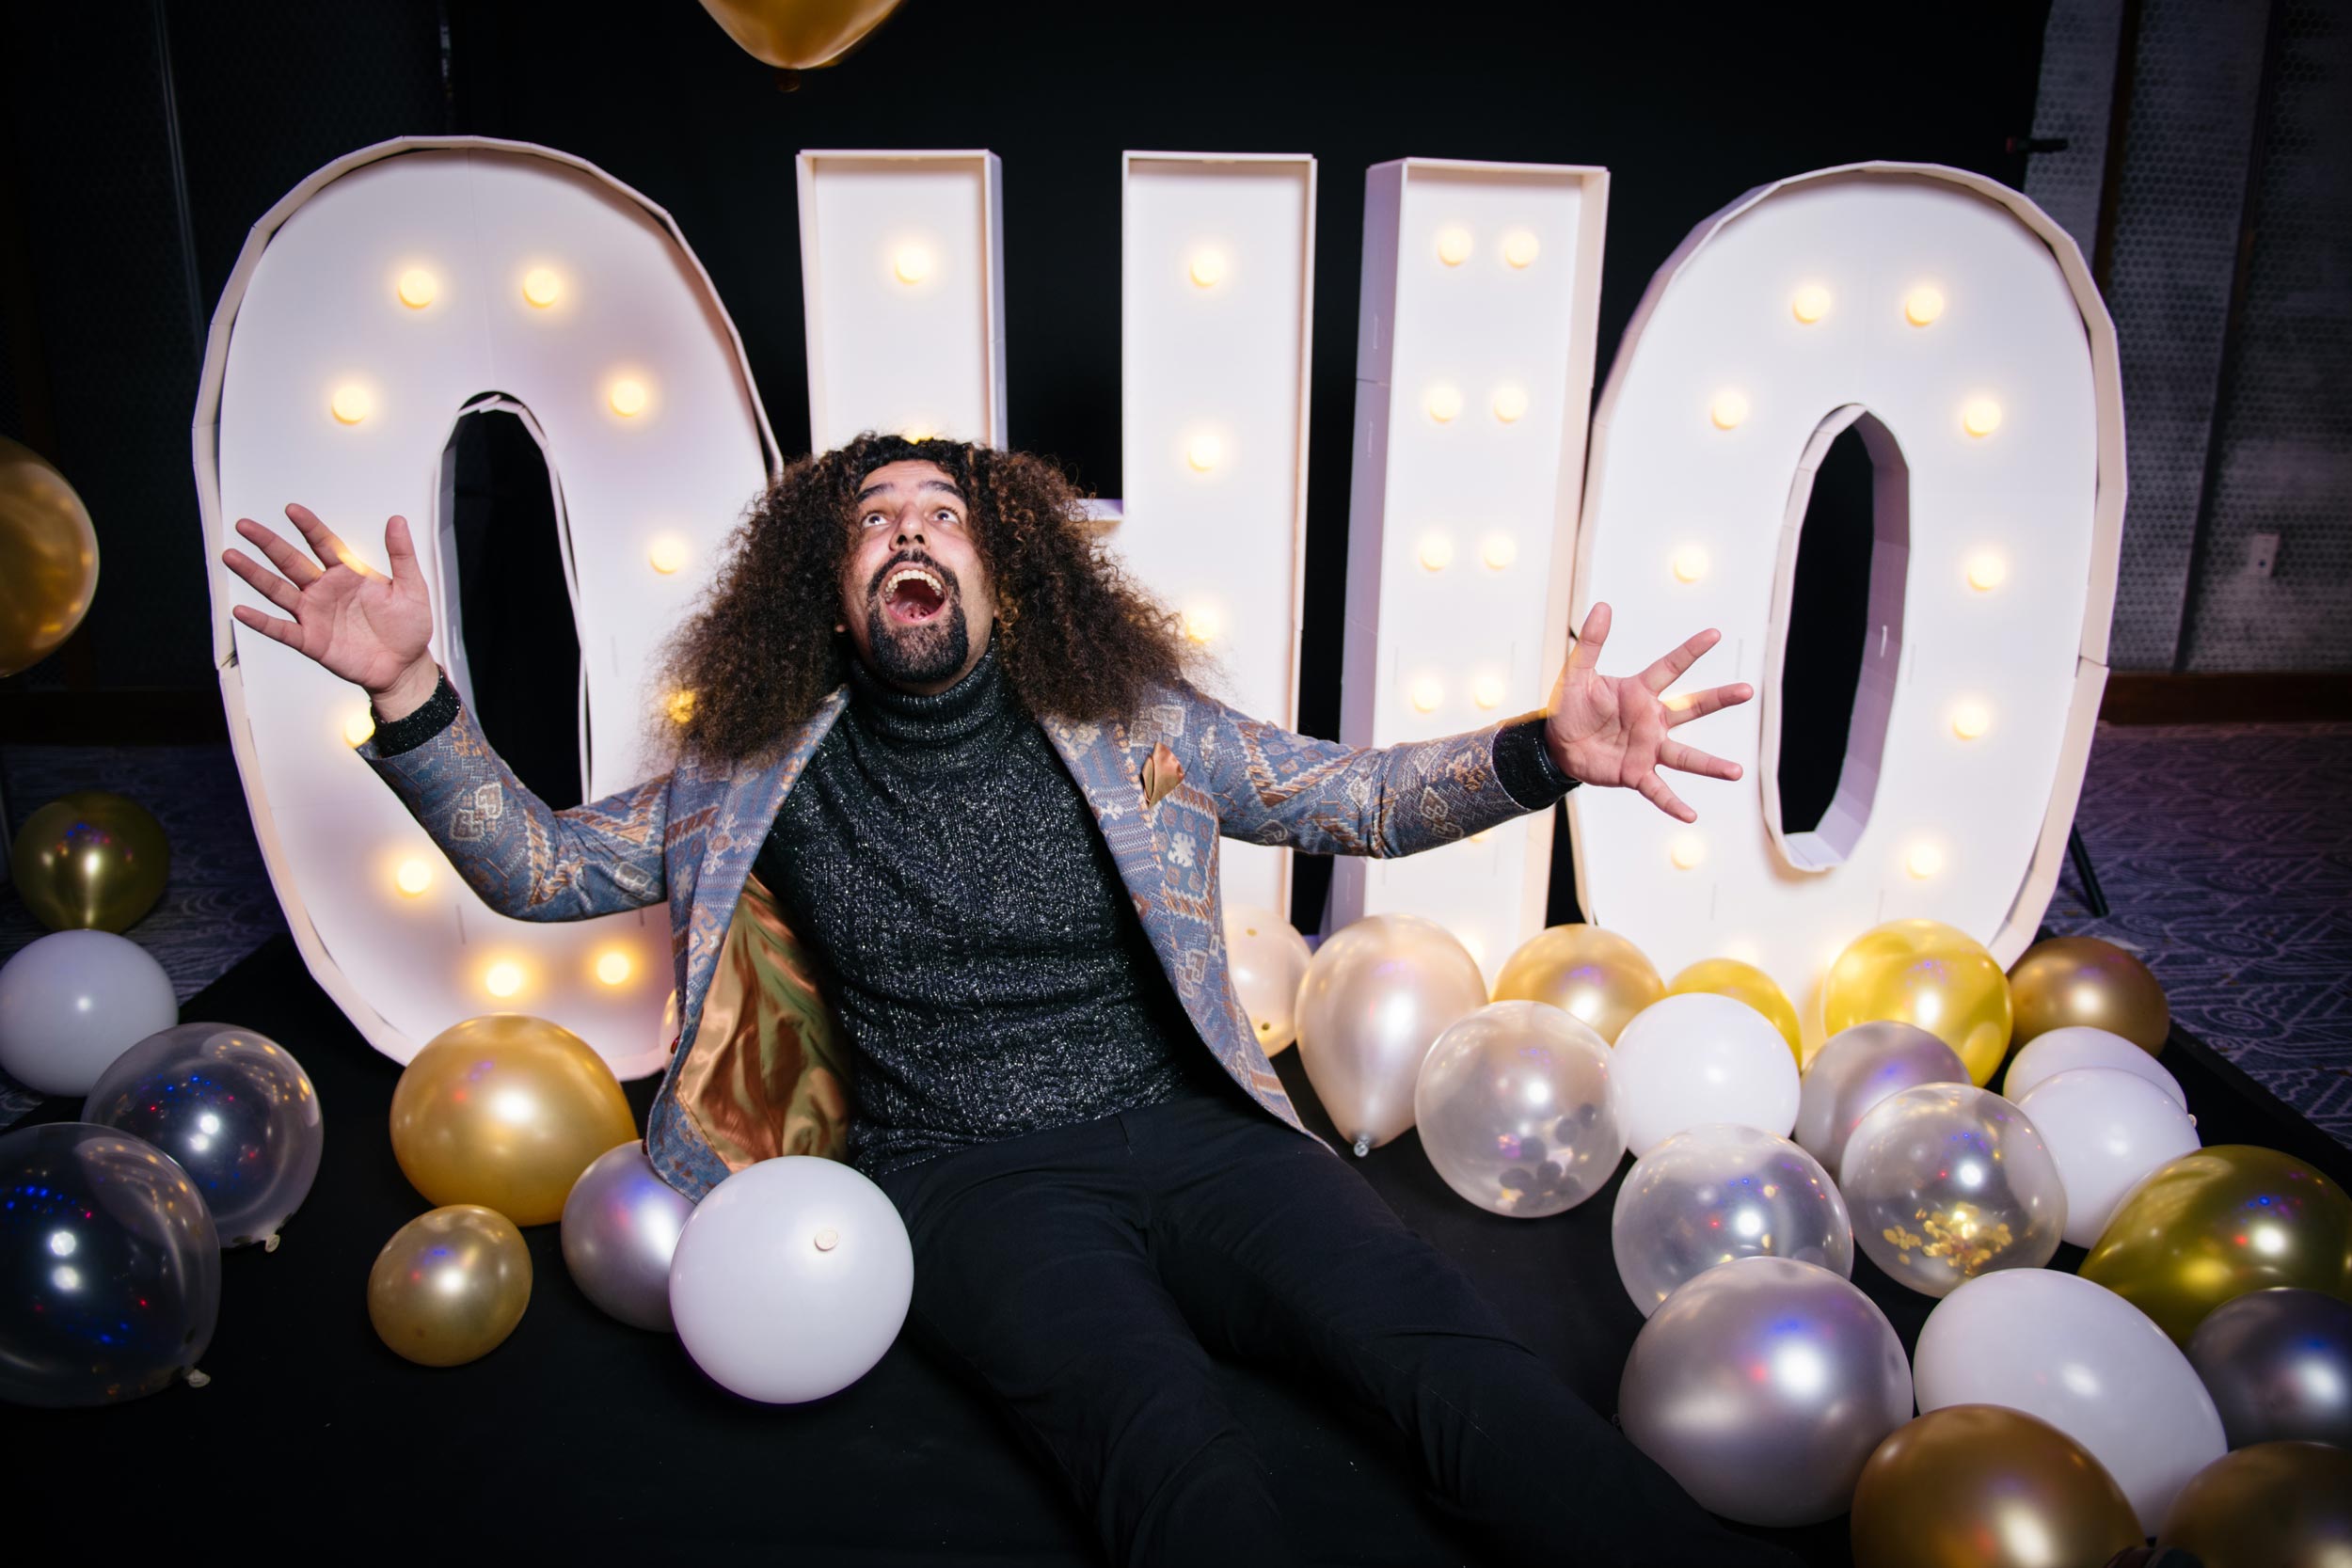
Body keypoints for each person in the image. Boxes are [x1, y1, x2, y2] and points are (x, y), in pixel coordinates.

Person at [221, 433, 1790, 1568]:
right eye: (871, 524)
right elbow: (547, 874)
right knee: (1169, 1455)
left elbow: (1352, 800)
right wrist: (412, 696)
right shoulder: (747, 779)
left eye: (944, 516)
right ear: (830, 595)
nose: (910, 534)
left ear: (1005, 570)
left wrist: (1539, 753)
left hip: (1198, 1138)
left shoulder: (1136, 727)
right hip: (970, 1188)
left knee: (1453, 1366)